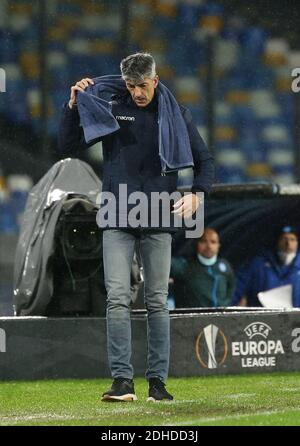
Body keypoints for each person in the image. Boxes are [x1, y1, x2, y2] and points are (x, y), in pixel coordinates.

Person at [58, 52, 214, 401]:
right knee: (117, 298)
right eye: (130, 86)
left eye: (142, 86)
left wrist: (198, 195)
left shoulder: (174, 114)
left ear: (155, 81)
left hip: (158, 216)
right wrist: (72, 107)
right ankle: (122, 382)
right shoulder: (112, 106)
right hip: (117, 215)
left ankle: (157, 382)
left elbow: (205, 161)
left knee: (157, 300)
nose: (136, 93)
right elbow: (68, 147)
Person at [231, 226, 300, 307]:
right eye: (284, 239)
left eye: (292, 239)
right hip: (263, 317)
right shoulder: (257, 265)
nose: (288, 243)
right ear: (277, 241)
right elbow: (236, 290)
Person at [170, 228, 234, 308]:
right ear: (196, 244)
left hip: (219, 318)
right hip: (191, 318)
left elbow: (231, 288)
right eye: (203, 241)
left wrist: (224, 305)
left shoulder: (225, 266)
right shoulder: (184, 266)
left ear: (218, 245)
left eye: (213, 242)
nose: (209, 246)